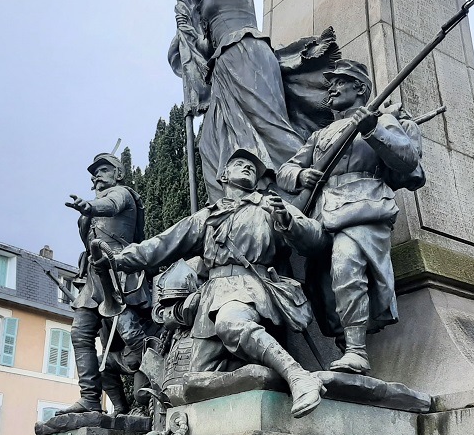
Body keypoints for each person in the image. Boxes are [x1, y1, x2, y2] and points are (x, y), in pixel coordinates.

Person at [110, 147, 328, 418]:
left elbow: (317, 239)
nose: (248, 167)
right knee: (196, 382)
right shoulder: (207, 217)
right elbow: (162, 244)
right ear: (223, 175)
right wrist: (118, 259)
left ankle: (298, 376)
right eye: (239, 163)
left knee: (230, 323)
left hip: (251, 287)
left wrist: (286, 220)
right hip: (211, 297)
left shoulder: (269, 206)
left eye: (253, 167)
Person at [277, 60, 424, 374]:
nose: (331, 87)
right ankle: (346, 346)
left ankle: (357, 351)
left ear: (360, 88)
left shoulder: (383, 120)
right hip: (323, 213)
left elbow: (407, 160)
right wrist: (301, 175)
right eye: (331, 83)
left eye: (339, 81)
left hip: (363, 206)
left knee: (346, 263)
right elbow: (285, 169)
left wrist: (370, 129)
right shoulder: (321, 134)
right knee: (324, 286)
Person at [172, 0, 306, 201]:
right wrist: (186, 27)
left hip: (246, 54)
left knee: (267, 124)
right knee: (211, 142)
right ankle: (227, 206)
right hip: (221, 67)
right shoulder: (206, 5)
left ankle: (306, 180)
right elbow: (204, 49)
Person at [57, 153, 151, 415]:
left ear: (119, 174)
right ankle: (89, 398)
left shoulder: (123, 194)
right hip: (93, 277)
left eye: (104, 170)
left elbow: (110, 205)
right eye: (94, 172)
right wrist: (88, 211)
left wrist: (89, 207)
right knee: (80, 333)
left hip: (119, 271)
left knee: (132, 335)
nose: (97, 175)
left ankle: (151, 397)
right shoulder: (93, 206)